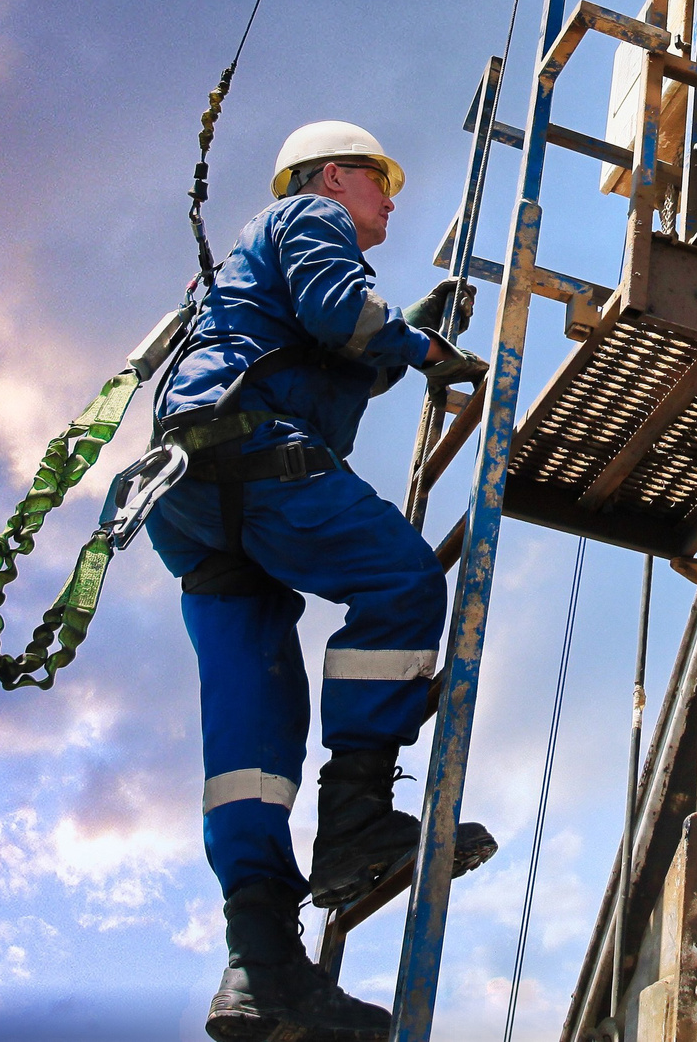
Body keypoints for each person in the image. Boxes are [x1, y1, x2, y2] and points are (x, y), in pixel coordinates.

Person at [146, 120, 498, 1042]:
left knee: (253, 737)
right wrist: (429, 351)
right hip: (254, 459)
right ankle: (357, 823)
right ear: (335, 175)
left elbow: (337, 348)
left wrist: (406, 327)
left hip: (191, 495)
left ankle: (259, 964)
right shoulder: (309, 216)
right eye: (382, 182)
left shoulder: (250, 273)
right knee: (403, 582)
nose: (391, 202)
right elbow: (343, 314)